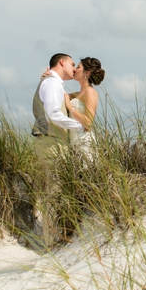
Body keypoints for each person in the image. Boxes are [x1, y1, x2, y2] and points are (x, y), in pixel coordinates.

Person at [31, 53, 86, 247]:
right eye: (72, 64)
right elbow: (53, 114)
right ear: (61, 62)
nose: (73, 68)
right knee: (54, 193)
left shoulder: (51, 83)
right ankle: (50, 242)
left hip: (50, 141)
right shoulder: (52, 84)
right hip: (51, 142)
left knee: (54, 192)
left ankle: (52, 238)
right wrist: (79, 127)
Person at [64, 57, 105, 161]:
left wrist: (70, 107)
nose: (74, 69)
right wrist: (46, 78)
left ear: (86, 72)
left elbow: (88, 122)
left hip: (83, 141)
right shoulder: (79, 93)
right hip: (74, 141)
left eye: (78, 67)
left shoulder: (90, 92)